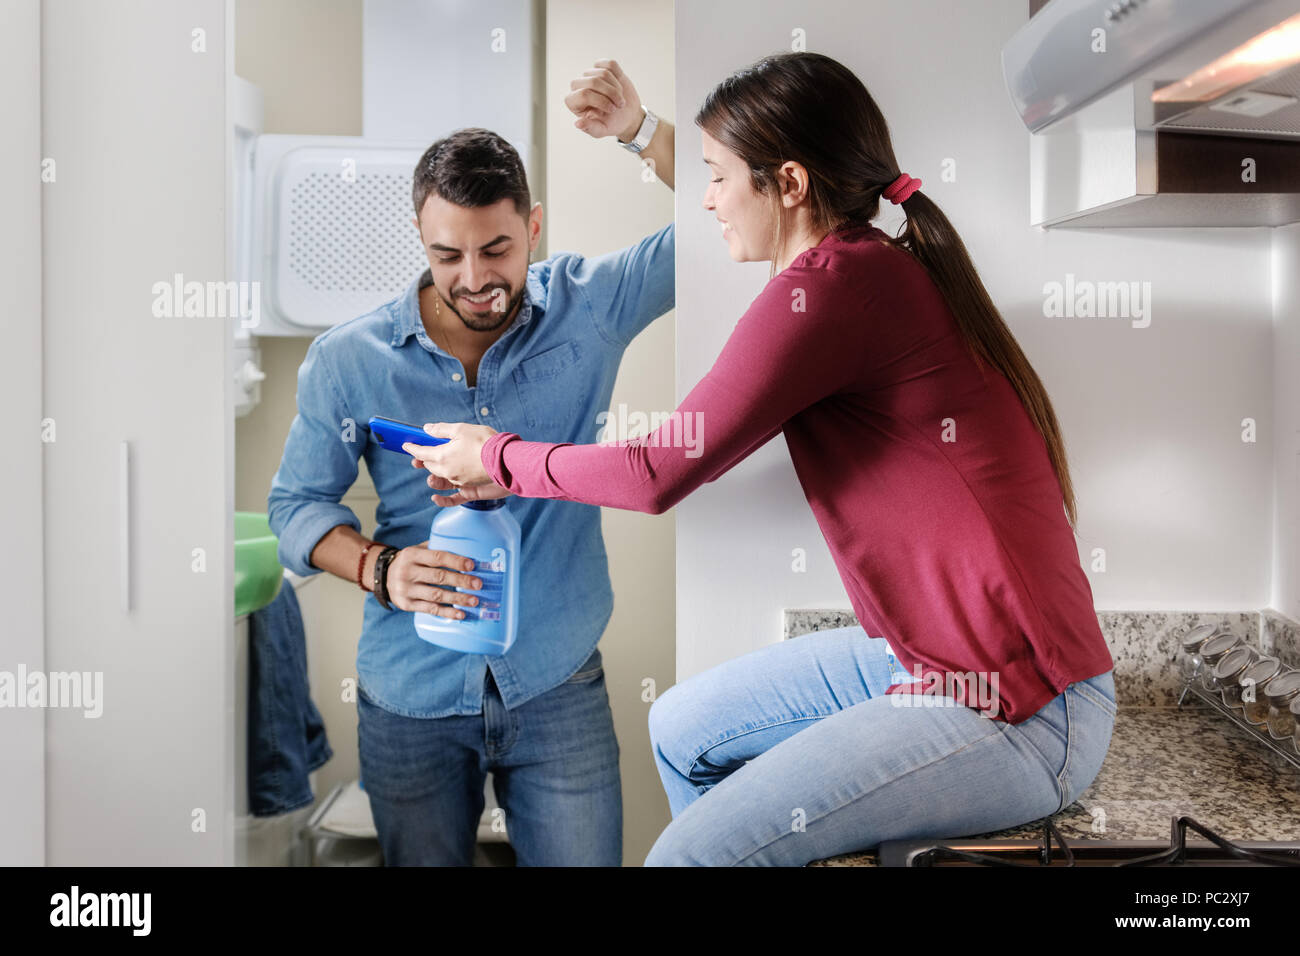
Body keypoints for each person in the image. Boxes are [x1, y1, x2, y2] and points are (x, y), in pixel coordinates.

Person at [404, 51, 1117, 867]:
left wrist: (497, 457)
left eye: (716, 176)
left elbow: (657, 471)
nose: (706, 198)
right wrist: (640, 132)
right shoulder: (855, 271)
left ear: (787, 183)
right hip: (930, 658)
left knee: (684, 858)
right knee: (679, 729)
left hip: (1025, 710)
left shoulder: (830, 292)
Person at [268, 60, 676, 865]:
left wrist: (640, 131)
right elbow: (295, 510)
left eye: (496, 248)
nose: (475, 280)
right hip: (408, 696)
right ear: (422, 241)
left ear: (534, 226)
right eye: (447, 256)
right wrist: (380, 568)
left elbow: (732, 215)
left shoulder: (591, 306)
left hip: (560, 685)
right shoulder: (349, 359)